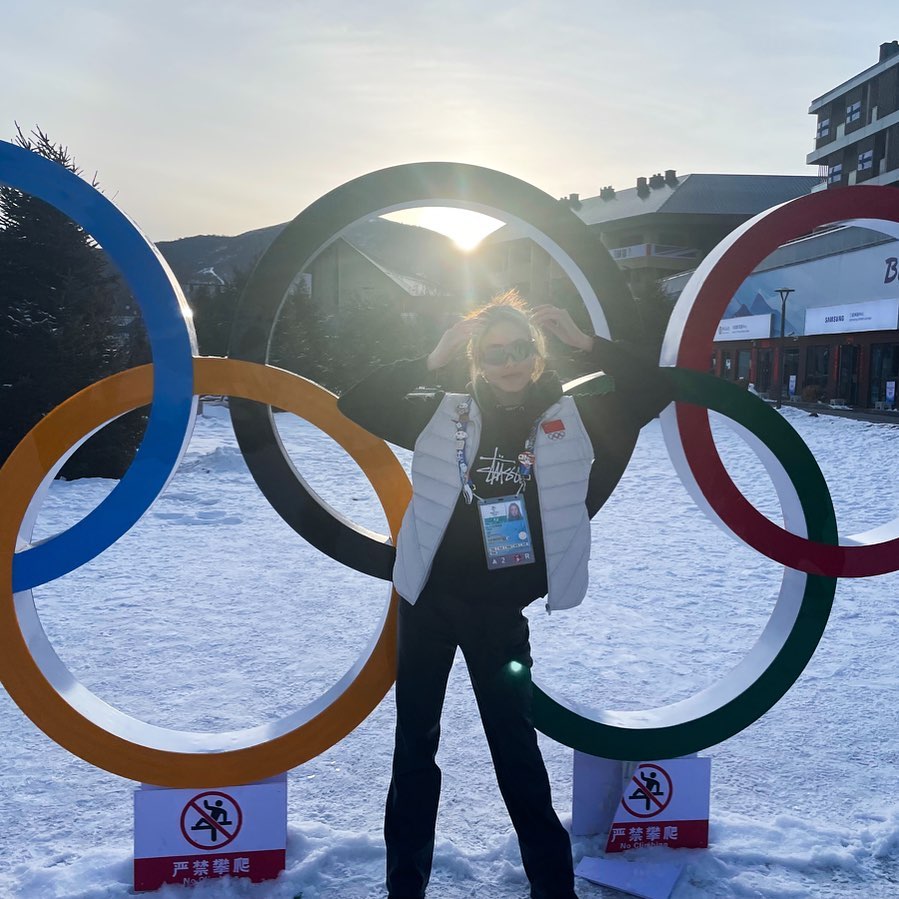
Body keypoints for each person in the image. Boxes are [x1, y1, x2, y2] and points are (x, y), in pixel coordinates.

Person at [337, 291, 670, 899]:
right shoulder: (445, 412)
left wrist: (583, 340)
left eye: (520, 349)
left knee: (515, 753)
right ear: (476, 361)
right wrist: (432, 356)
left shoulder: (574, 417)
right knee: (415, 749)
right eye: (494, 353)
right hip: (428, 604)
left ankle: (553, 888)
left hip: (497, 614)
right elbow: (357, 400)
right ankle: (403, 889)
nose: (508, 362)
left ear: (537, 356)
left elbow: (655, 385)